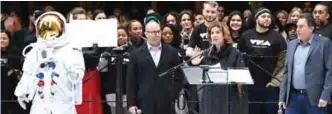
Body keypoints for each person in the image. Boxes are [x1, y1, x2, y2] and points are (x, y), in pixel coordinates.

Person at [14, 11, 85, 114]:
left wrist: (65, 62)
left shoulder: (72, 50)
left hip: (63, 100)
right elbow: (28, 73)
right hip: (40, 101)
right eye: (45, 29)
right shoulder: (35, 50)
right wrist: (21, 91)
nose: (50, 33)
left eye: (54, 28)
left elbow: (77, 76)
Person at [126, 19, 185, 114]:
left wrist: (173, 93)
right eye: (153, 32)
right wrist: (131, 104)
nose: (156, 34)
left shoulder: (172, 52)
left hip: (166, 101)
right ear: (146, 33)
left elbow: (179, 76)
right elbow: (131, 81)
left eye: (158, 32)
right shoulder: (135, 55)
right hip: (144, 101)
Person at [279, 13, 332, 114]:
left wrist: (325, 96)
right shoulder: (291, 44)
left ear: (311, 28)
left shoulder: (324, 43)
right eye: (297, 26)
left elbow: (330, 70)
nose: (297, 30)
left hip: (314, 98)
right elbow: (286, 72)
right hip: (292, 98)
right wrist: (282, 97)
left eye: (301, 26)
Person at [190, 21, 248, 114]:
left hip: (228, 96)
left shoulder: (235, 53)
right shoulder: (206, 53)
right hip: (210, 96)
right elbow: (198, 78)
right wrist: (195, 64)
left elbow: (241, 77)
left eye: (217, 32)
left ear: (224, 35)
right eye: (212, 33)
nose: (214, 35)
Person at [238, 7, 287, 114]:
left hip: (270, 86)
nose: (267, 19)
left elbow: (284, 63)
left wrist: (275, 82)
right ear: (256, 19)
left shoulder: (278, 38)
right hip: (250, 86)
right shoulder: (246, 36)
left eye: (269, 17)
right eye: (263, 16)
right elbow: (238, 59)